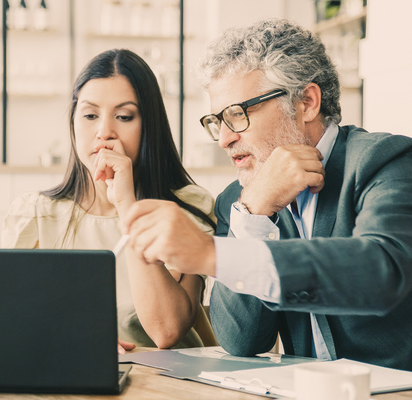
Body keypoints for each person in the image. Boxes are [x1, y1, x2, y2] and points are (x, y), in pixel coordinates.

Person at [122, 19, 412, 370]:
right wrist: (253, 213)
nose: (224, 139)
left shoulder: (386, 161)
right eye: (217, 121)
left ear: (306, 102)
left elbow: (383, 271)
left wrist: (212, 254)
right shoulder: (239, 200)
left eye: (237, 114)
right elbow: (241, 340)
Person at [2, 49, 217, 352]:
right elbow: (12, 322)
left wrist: (126, 204)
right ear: (73, 124)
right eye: (90, 115)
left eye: (124, 116)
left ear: (148, 126)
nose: (104, 132)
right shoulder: (35, 215)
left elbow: (167, 330)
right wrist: (75, 341)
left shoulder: (185, 208)